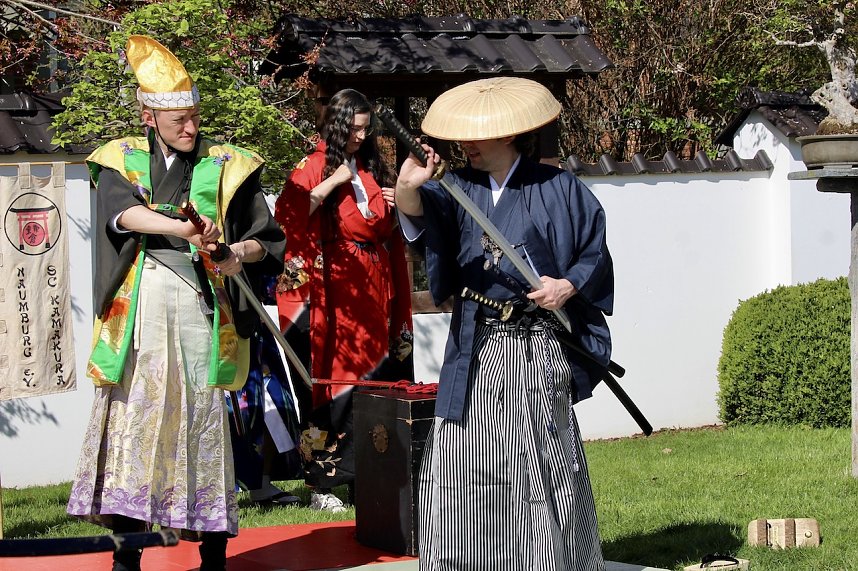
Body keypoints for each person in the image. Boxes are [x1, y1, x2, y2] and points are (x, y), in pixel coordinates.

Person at [66, 35, 286, 571]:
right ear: (149, 114)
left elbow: (266, 236)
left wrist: (236, 252)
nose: (189, 129)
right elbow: (124, 217)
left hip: (202, 312)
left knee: (204, 423)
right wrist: (185, 228)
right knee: (133, 427)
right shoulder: (122, 159)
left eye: (194, 118)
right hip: (140, 310)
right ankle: (126, 557)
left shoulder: (227, 163)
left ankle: (213, 554)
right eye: (177, 120)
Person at [394, 77, 614, 570]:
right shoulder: (456, 188)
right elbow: (421, 221)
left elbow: (594, 252)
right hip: (479, 344)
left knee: (538, 457)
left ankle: (546, 558)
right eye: (463, 139)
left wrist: (568, 286)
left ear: (510, 134)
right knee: (465, 457)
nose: (467, 146)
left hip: (536, 344)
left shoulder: (559, 187)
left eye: (478, 137)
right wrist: (408, 187)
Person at [274, 88, 414, 512]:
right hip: (332, 293)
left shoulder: (371, 168)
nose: (361, 136)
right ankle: (322, 484)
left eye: (366, 129)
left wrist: (396, 203)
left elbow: (385, 227)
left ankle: (369, 473)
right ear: (336, 126)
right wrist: (329, 184)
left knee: (375, 380)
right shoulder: (312, 166)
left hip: (375, 289)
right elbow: (286, 217)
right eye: (354, 128)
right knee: (332, 382)